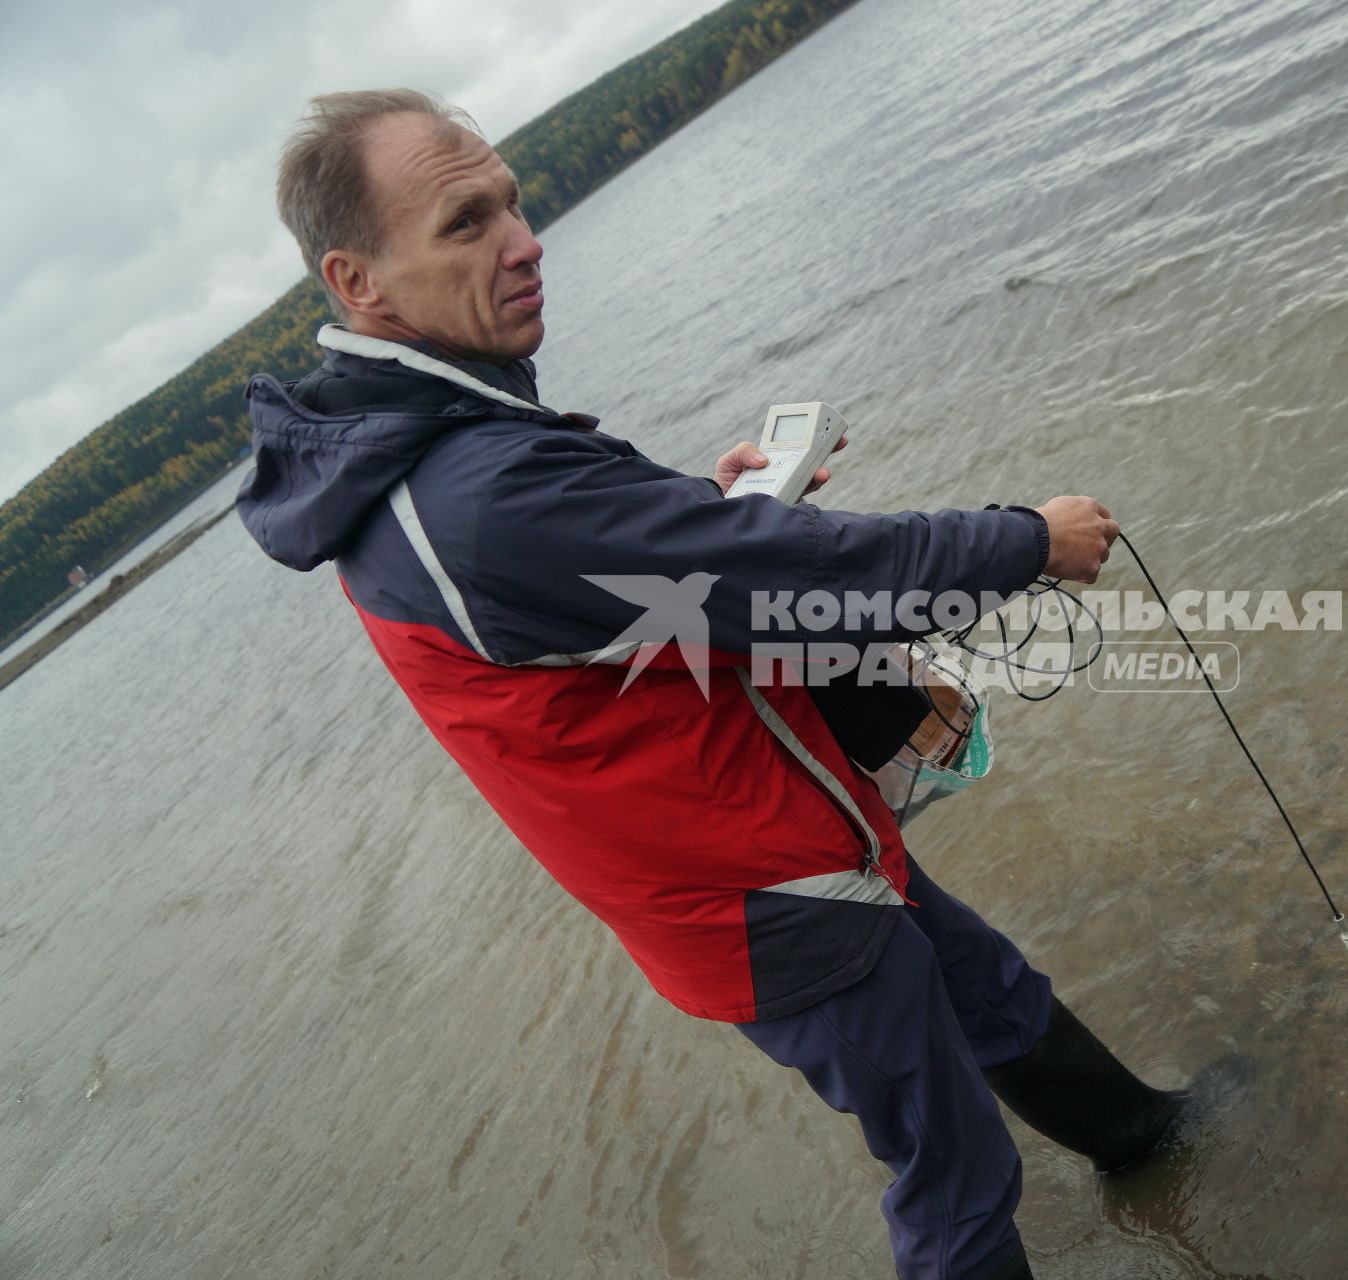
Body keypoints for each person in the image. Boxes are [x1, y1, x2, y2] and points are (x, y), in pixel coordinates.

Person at [238, 88, 1209, 1280]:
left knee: (989, 990)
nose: (524, 239)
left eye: (513, 201)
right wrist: (1024, 538)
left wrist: (724, 519)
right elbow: (818, 577)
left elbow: (609, 607)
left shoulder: (414, 451)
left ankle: (1148, 1140)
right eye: (465, 221)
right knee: (956, 1175)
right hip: (765, 890)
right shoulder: (476, 490)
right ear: (360, 283)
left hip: (779, 836)